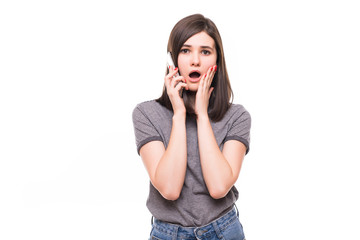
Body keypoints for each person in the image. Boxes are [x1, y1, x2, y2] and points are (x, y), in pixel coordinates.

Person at [132, 14, 251, 240]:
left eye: (205, 51)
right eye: (185, 50)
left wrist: (203, 116)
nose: (195, 61)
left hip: (224, 231)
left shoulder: (237, 117)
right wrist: (179, 113)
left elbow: (218, 187)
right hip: (168, 234)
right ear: (172, 60)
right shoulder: (146, 114)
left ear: (217, 60)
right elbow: (169, 189)